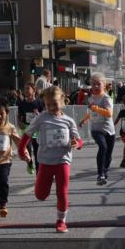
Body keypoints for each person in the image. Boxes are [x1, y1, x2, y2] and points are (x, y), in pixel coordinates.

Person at [19, 87, 83, 233]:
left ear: (62, 101)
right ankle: (43, 190)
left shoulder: (69, 121)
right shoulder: (41, 117)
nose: (51, 108)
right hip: (46, 162)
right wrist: (21, 149)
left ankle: (61, 221)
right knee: (40, 195)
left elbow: (79, 140)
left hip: (63, 161)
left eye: (54, 104)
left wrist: (77, 144)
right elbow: (27, 134)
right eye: (48, 105)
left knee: (62, 192)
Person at [80, 72, 115, 186]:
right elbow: (91, 113)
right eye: (93, 84)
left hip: (109, 130)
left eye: (98, 84)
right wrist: (84, 120)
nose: (95, 86)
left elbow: (109, 114)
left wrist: (95, 108)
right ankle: (100, 174)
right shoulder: (91, 98)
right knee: (103, 147)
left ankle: (104, 171)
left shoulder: (106, 98)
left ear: (104, 85)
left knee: (108, 155)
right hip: (96, 129)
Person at [16, 83, 43, 172]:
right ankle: (30, 162)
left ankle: (38, 173)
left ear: (33, 90)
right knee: (27, 149)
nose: (26, 91)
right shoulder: (22, 103)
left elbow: (44, 116)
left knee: (37, 150)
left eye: (28, 88)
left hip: (36, 129)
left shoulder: (39, 102)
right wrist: (19, 122)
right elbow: (19, 116)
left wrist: (38, 114)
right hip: (26, 129)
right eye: (25, 89)